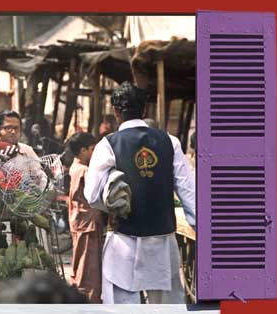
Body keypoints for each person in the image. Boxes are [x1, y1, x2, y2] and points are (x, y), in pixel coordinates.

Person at [83, 81, 195, 304]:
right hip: (162, 239)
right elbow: (189, 193)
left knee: (122, 302)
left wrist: (114, 204)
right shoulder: (170, 142)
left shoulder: (108, 144)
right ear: (144, 110)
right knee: (167, 305)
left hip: (124, 238)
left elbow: (92, 195)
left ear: (115, 111)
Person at [66, 132, 106, 303]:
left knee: (82, 261)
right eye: (92, 149)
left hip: (80, 220)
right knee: (89, 267)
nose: (94, 152)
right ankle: (88, 302)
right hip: (87, 223)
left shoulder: (75, 167)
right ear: (83, 151)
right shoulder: (84, 170)